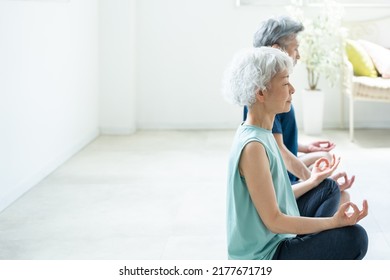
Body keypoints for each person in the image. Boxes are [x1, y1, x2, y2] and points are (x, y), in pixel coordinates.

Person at [223, 46, 368, 260]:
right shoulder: (253, 147)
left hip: (279, 237)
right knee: (356, 238)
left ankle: (308, 245)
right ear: (261, 92)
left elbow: (277, 197)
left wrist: (312, 181)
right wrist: (333, 222)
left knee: (327, 187)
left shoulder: (263, 133)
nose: (292, 89)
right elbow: (274, 220)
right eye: (284, 82)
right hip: (265, 256)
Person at [243, 16, 354, 202]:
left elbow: (274, 140)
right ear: (276, 50)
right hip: (279, 179)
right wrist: (316, 181)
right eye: (295, 48)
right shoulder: (269, 97)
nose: (299, 55)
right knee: (343, 198)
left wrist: (305, 147)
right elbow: (278, 151)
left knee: (324, 158)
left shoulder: (270, 89)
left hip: (282, 170)